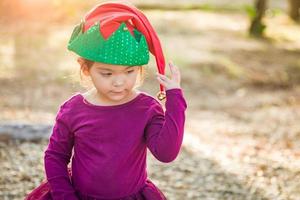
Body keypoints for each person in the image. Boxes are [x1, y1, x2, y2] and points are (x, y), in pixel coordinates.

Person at [25, 2, 187, 200]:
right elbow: (56, 157)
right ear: (86, 69)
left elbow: (166, 153)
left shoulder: (146, 108)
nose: (119, 82)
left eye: (129, 71)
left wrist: (175, 99)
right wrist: (65, 195)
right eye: (107, 73)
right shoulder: (74, 109)